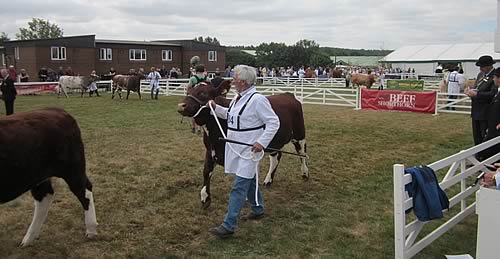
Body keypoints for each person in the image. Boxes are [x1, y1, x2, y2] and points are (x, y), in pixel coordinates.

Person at [207, 65, 280, 238]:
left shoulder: (258, 100)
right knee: (250, 180)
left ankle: (228, 225)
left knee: (239, 187)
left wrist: (261, 142)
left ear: (244, 82)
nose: (232, 81)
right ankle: (258, 208)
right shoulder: (237, 98)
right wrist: (216, 109)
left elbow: (273, 122)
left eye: (235, 78)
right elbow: (231, 116)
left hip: (249, 150)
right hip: (236, 147)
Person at [465, 55, 498, 148]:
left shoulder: (495, 76)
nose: (480, 69)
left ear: (489, 66)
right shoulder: (480, 75)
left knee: (485, 136)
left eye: (482, 67)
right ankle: (477, 156)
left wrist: (477, 95)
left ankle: (485, 156)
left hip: (486, 111)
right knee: (477, 136)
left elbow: (493, 93)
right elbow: (477, 88)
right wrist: (470, 92)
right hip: (476, 110)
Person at [480, 67, 500, 159]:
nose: (494, 79)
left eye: (495, 77)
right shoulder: (498, 91)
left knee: (489, 152)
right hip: (492, 126)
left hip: (497, 129)